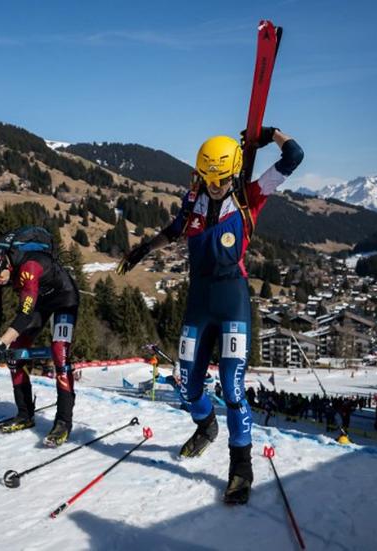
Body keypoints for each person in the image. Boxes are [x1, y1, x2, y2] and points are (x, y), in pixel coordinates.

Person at [117, 127, 303, 504]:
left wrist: (273, 135)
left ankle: (240, 468)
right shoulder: (193, 199)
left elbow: (294, 157)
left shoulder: (251, 196)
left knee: (233, 388)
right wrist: (144, 249)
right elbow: (175, 230)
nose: (214, 186)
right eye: (208, 179)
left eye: (220, 180)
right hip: (199, 300)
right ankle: (206, 426)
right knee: (187, 384)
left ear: (233, 172)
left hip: (232, 296)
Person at [0, 228, 80, 447]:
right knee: (15, 353)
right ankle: (24, 414)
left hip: (64, 299)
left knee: (60, 352)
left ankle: (63, 422)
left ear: (5, 263)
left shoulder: (30, 266)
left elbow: (25, 314)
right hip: (38, 302)